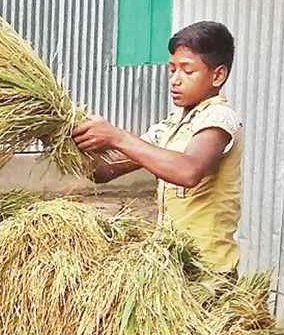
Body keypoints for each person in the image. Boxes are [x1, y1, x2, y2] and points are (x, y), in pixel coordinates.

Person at [73, 21, 243, 275]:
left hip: (208, 273)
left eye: (187, 71)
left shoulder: (219, 118)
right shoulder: (170, 126)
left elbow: (189, 171)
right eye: (172, 69)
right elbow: (103, 171)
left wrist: (116, 136)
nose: (175, 80)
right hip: (172, 267)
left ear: (217, 75)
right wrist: (57, 133)